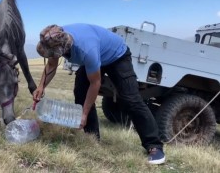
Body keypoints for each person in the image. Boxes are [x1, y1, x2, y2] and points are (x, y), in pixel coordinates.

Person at [33, 23, 165, 165]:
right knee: (80, 92)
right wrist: (41, 86)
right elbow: (52, 64)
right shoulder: (52, 38)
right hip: (98, 53)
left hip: (117, 56)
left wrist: (83, 114)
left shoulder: (86, 50)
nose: (53, 57)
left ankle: (154, 146)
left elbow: (95, 83)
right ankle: (92, 137)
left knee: (131, 100)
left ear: (63, 49)